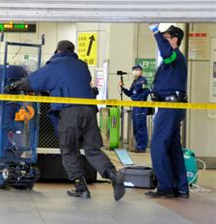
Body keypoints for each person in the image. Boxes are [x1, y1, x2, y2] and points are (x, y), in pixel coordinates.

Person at [10, 40, 125, 201]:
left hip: (70, 112)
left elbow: (34, 81)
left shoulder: (55, 64)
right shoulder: (82, 66)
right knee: (92, 149)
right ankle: (113, 174)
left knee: (69, 150)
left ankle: (81, 187)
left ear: (57, 50)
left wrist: (14, 85)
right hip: (89, 110)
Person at [146, 24, 189, 199]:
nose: (162, 42)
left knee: (157, 145)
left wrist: (156, 32)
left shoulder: (174, 57)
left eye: (165, 38)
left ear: (174, 40)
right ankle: (181, 187)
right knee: (173, 148)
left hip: (170, 107)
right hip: (172, 107)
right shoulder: (173, 60)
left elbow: (166, 53)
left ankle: (165, 186)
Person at [120, 65, 150, 153]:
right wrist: (123, 88)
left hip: (140, 106)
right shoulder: (134, 82)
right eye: (134, 70)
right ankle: (138, 146)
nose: (135, 71)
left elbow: (146, 91)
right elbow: (130, 93)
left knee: (141, 126)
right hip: (135, 106)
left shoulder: (142, 80)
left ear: (141, 71)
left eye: (137, 69)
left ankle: (142, 146)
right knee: (136, 127)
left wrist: (141, 101)